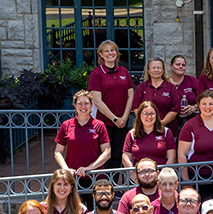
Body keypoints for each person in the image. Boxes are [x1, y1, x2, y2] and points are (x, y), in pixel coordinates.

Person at [88, 40, 134, 168]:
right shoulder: (96, 74)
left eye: (112, 50)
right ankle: (103, 186)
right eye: (106, 51)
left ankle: (114, 186)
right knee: (105, 156)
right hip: (104, 123)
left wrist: (123, 118)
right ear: (101, 55)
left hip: (122, 123)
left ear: (117, 52)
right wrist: (114, 119)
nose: (110, 53)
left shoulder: (124, 71)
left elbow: (130, 96)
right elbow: (97, 100)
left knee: (118, 156)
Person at [178, 90, 213, 188]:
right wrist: (186, 182)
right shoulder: (189, 125)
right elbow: (182, 154)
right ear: (198, 105)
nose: (207, 107)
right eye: (204, 104)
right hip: (197, 176)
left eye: (211, 104)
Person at [55, 90, 111, 176]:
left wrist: (89, 168)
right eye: (80, 103)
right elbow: (58, 152)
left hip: (95, 175)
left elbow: (107, 153)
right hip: (72, 176)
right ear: (75, 105)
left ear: (91, 105)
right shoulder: (66, 125)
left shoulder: (99, 125)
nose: (83, 106)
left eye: (86, 103)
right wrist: (66, 169)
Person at [123, 100, 177, 168]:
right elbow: (126, 158)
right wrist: (134, 176)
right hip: (138, 175)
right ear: (139, 115)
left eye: (152, 113)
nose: (149, 117)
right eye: (145, 113)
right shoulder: (131, 134)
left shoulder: (166, 132)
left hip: (160, 174)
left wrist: (163, 175)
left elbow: (172, 158)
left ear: (156, 115)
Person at [132, 57, 179, 128]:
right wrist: (148, 121)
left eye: (159, 68)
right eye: (153, 68)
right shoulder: (142, 87)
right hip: (146, 129)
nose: (156, 70)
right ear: (148, 70)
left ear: (163, 70)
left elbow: (175, 109)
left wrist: (162, 123)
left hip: (167, 129)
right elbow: (136, 107)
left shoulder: (170, 87)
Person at [168, 54, 200, 130]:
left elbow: (205, 97)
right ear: (171, 66)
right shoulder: (165, 83)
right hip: (169, 125)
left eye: (183, 65)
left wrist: (195, 107)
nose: (181, 67)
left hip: (192, 124)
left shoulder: (192, 80)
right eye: (178, 64)